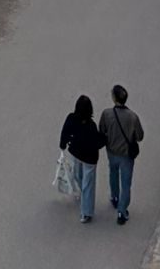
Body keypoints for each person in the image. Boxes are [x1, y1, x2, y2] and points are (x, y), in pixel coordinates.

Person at [98, 86, 145, 227]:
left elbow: (102, 130)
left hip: (111, 152)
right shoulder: (133, 117)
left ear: (114, 98)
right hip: (126, 156)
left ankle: (114, 197)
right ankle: (122, 211)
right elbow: (140, 136)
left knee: (113, 173)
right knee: (126, 183)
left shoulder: (106, 114)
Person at [59, 94, 105, 223]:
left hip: (76, 154)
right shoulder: (91, 126)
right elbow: (98, 143)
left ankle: (84, 200)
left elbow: (65, 132)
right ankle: (86, 211)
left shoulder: (71, 118)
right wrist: (105, 138)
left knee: (78, 176)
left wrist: (62, 145)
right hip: (90, 158)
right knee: (88, 184)